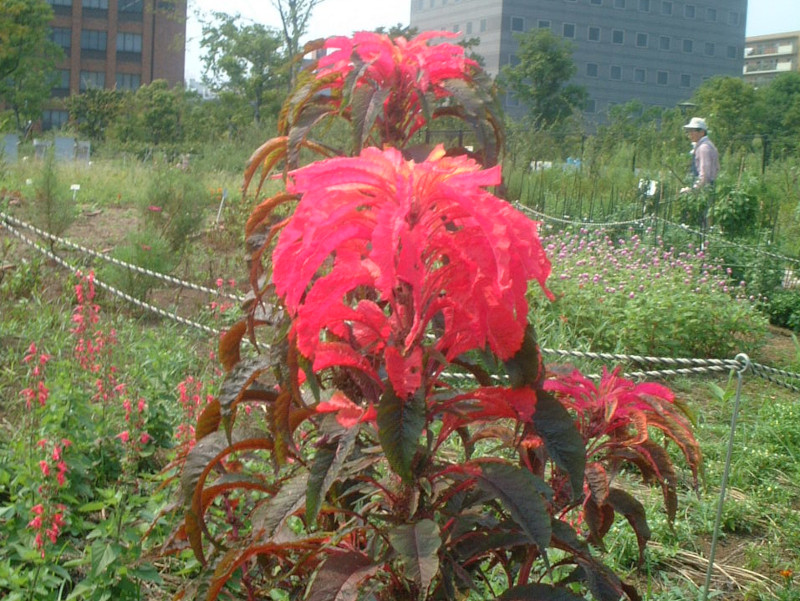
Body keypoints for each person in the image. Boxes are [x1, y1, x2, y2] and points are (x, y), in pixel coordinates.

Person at [680, 117, 719, 192]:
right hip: (706, 188)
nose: (690, 134)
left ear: (702, 132)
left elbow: (705, 174)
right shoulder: (706, 145)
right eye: (689, 131)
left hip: (704, 190)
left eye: (693, 131)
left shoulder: (703, 148)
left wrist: (694, 190)